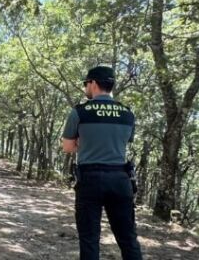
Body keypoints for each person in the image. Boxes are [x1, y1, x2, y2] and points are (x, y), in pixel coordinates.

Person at [62, 65, 143, 260]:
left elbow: (68, 147)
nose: (85, 88)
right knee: (128, 239)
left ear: (94, 83)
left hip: (90, 179)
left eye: (86, 84)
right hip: (121, 179)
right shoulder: (127, 113)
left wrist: (84, 142)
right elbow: (124, 141)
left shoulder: (79, 112)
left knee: (89, 239)